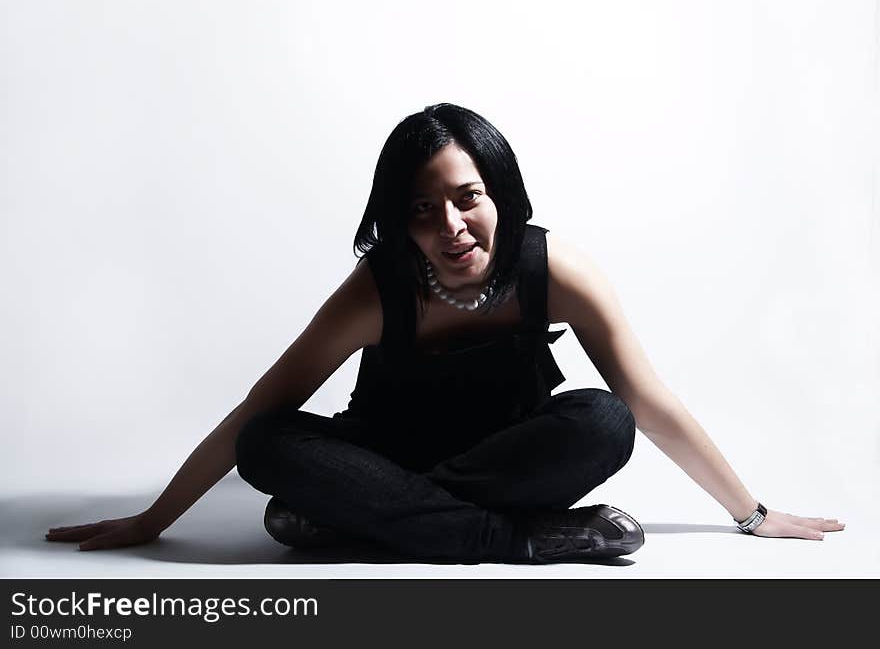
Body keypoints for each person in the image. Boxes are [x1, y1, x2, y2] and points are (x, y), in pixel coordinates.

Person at [46, 103, 844, 563]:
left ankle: (364, 522)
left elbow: (649, 400)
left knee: (604, 418)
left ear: (501, 192)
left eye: (467, 197)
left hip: (508, 464)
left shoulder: (557, 271)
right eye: (422, 209)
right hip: (385, 460)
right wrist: (154, 521)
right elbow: (264, 403)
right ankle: (517, 541)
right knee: (268, 445)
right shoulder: (377, 288)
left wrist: (750, 513)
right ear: (399, 222)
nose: (451, 226)